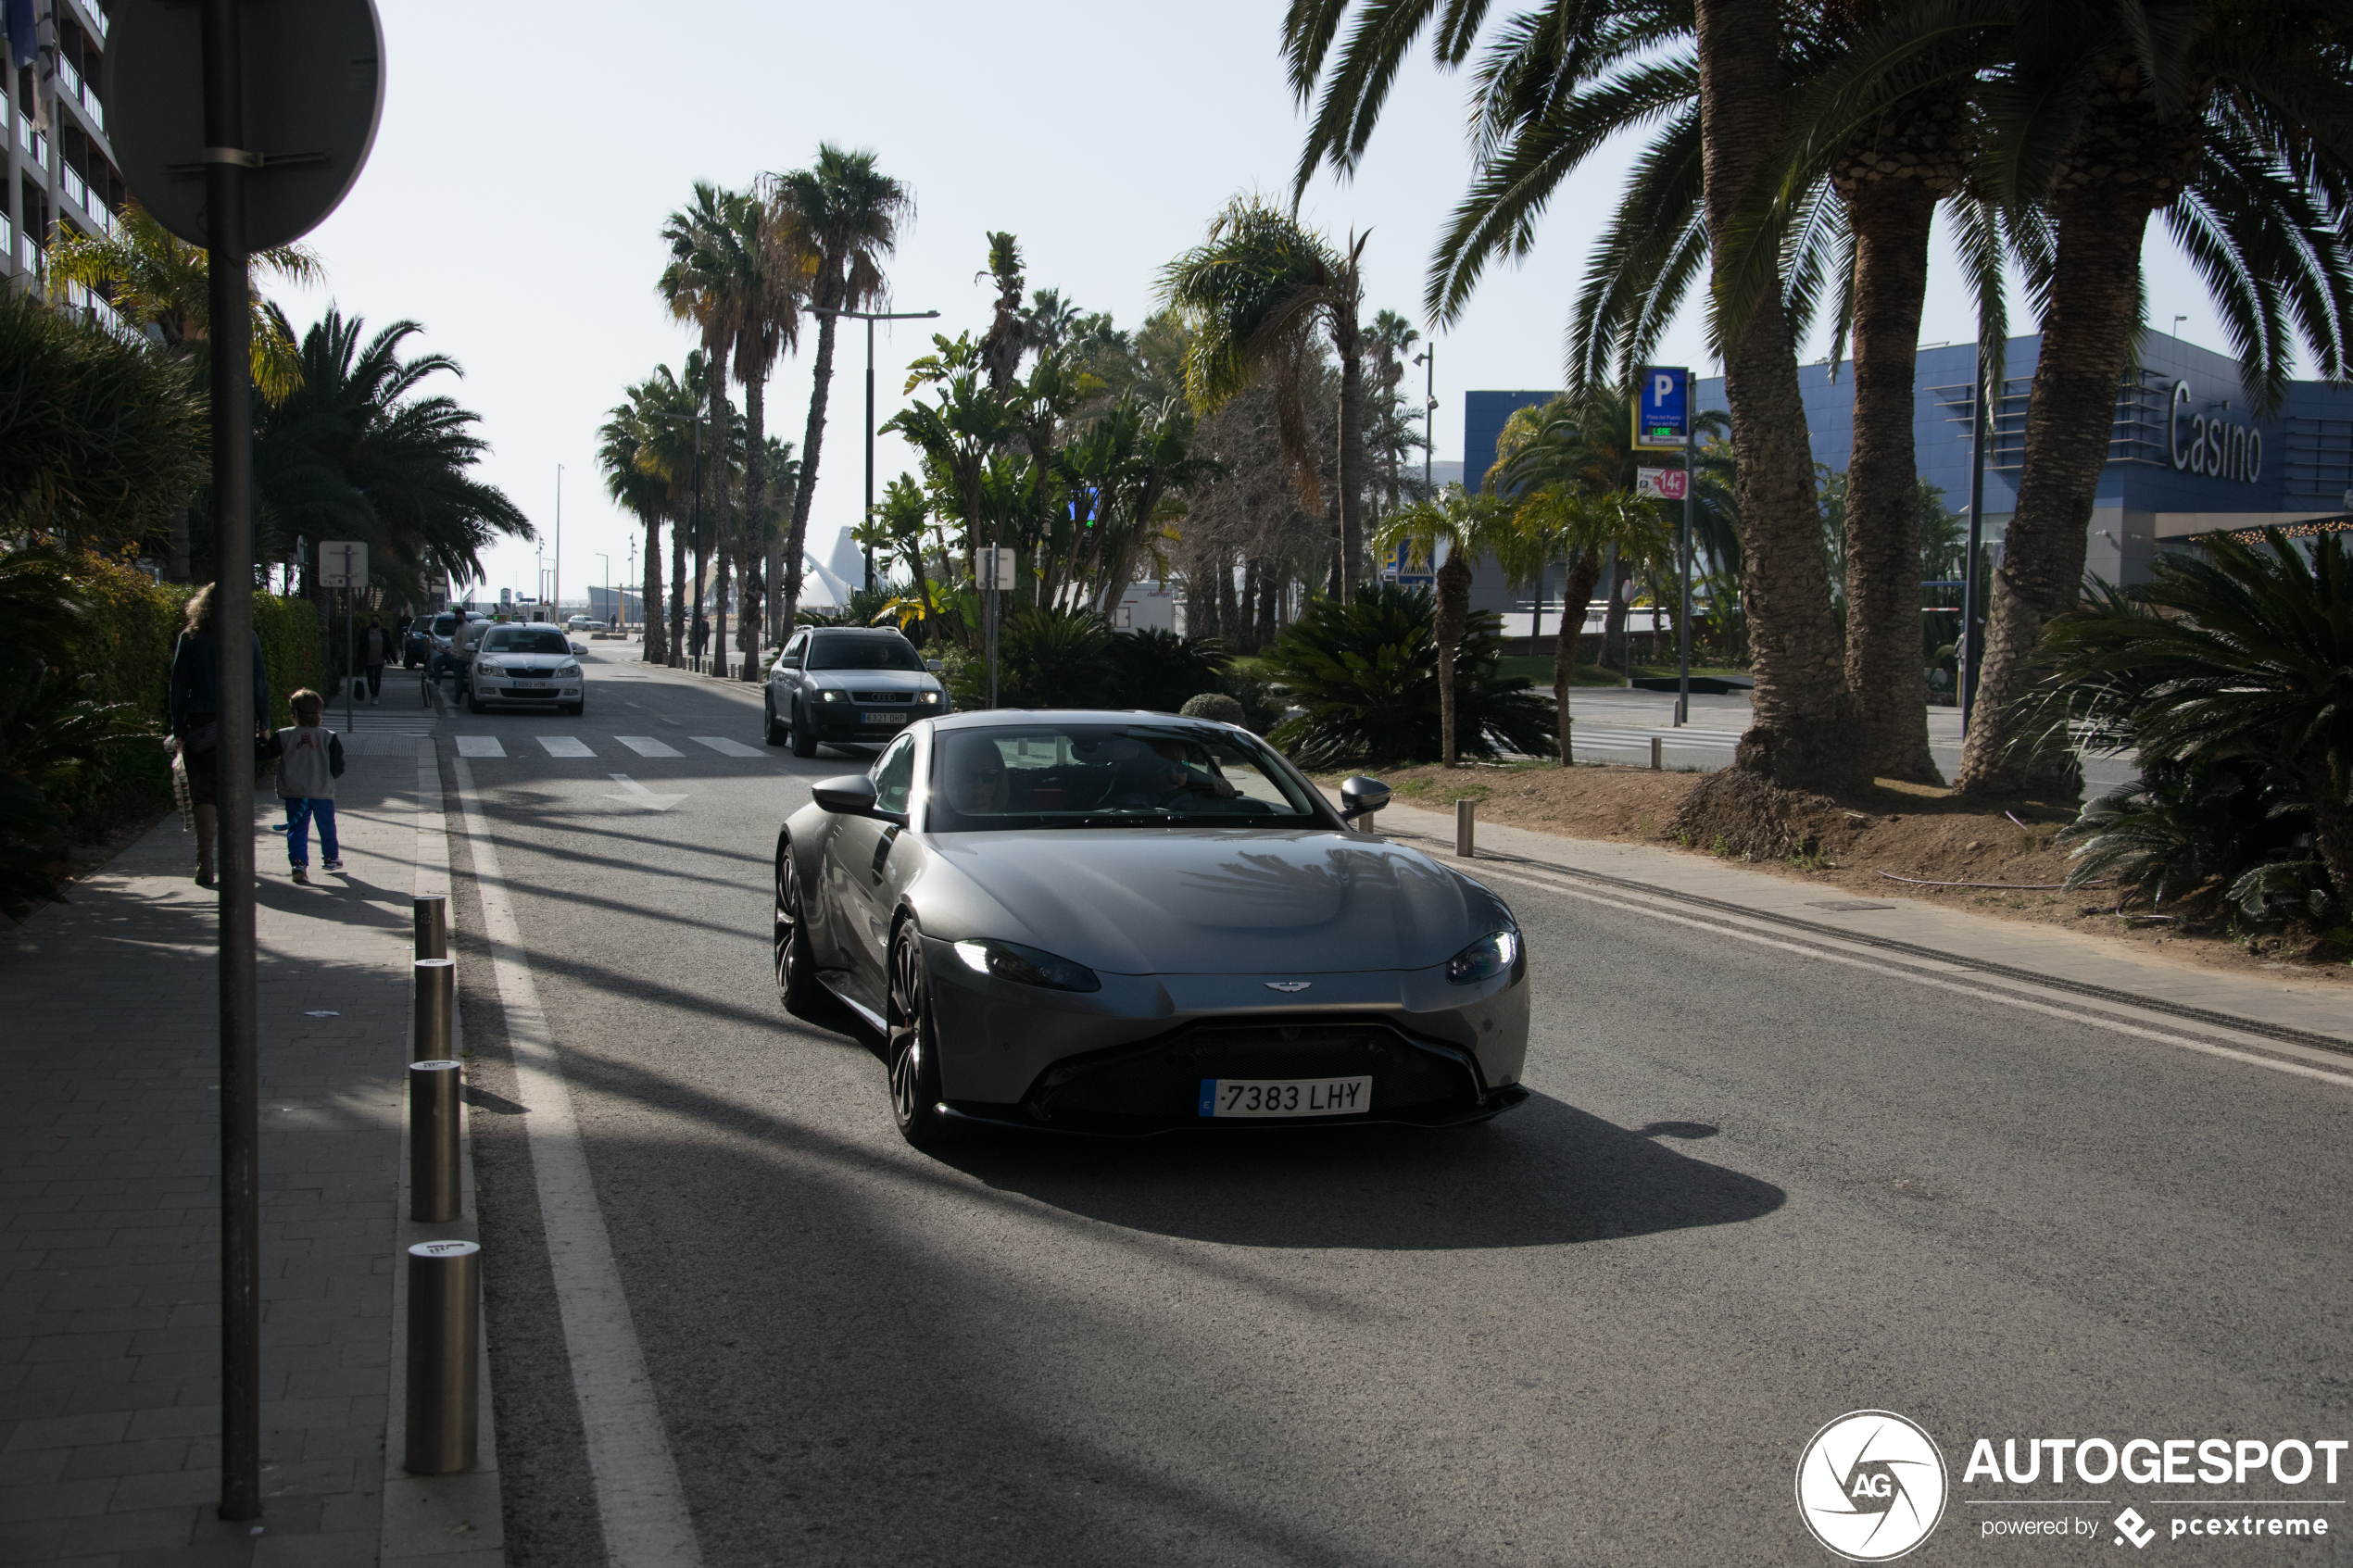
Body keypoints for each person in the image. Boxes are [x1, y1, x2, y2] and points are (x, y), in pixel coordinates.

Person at [166, 583, 270, 888]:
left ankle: (204, 860)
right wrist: (263, 722)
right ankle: (234, 861)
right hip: (236, 725)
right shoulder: (247, 637)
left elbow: (177, 687)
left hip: (200, 725)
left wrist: (178, 728)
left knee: (203, 791)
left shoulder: (191, 637)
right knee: (233, 790)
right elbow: (259, 684)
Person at [263, 688, 346, 884]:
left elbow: (264, 753)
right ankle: (330, 858)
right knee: (326, 826)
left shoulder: (283, 735)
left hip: (294, 791)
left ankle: (298, 863)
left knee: (297, 827)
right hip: (321, 792)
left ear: (294, 713)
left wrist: (260, 736)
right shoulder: (329, 736)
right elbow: (338, 768)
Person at [942, 734, 1011, 814]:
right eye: (970, 776)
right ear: (958, 780)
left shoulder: (1016, 822)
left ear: (999, 780)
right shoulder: (941, 821)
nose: (979, 783)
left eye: (988, 776)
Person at [361, 615, 390, 706]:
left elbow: (388, 646)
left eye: (377, 620)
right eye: (374, 620)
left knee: (377, 678)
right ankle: (372, 692)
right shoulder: (365, 632)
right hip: (368, 659)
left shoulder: (383, 632)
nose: (375, 622)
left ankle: (375, 696)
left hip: (379, 659)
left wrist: (393, 658)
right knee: (370, 678)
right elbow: (361, 647)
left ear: (380, 622)